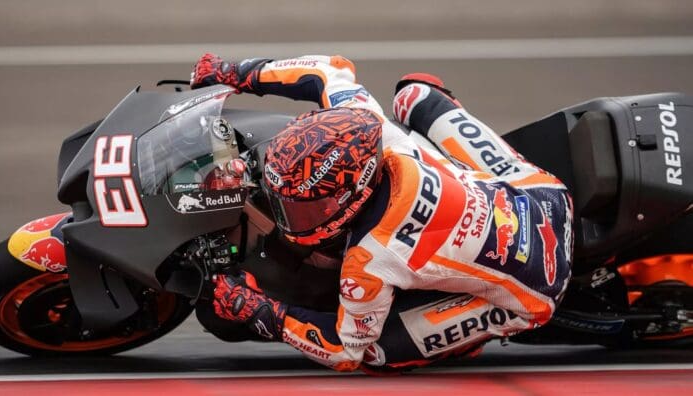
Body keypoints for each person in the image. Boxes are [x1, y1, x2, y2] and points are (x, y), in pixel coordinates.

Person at [190, 53, 574, 372]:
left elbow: (345, 349)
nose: (292, 217)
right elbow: (327, 70)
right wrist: (238, 74)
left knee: (376, 353)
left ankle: (469, 340)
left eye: (307, 209)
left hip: (537, 285)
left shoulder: (369, 259)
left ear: (353, 196)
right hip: (538, 191)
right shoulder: (366, 121)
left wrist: (262, 312)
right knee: (414, 93)